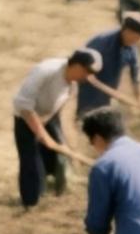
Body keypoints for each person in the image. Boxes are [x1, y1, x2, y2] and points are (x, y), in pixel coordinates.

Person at [12, 47, 101, 208]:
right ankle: (30, 203)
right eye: (86, 72)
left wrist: (53, 136)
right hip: (26, 118)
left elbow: (58, 108)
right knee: (31, 161)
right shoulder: (46, 71)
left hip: (48, 116)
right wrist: (42, 135)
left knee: (56, 156)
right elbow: (23, 103)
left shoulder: (73, 85)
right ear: (76, 66)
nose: (88, 78)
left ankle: (52, 185)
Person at [75, 14, 140, 118]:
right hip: (90, 88)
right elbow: (84, 72)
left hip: (108, 88)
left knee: (105, 118)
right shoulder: (102, 44)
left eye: (139, 38)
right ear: (127, 31)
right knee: (88, 118)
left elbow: (136, 75)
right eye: (136, 37)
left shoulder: (131, 47)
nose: (137, 41)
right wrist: (112, 92)